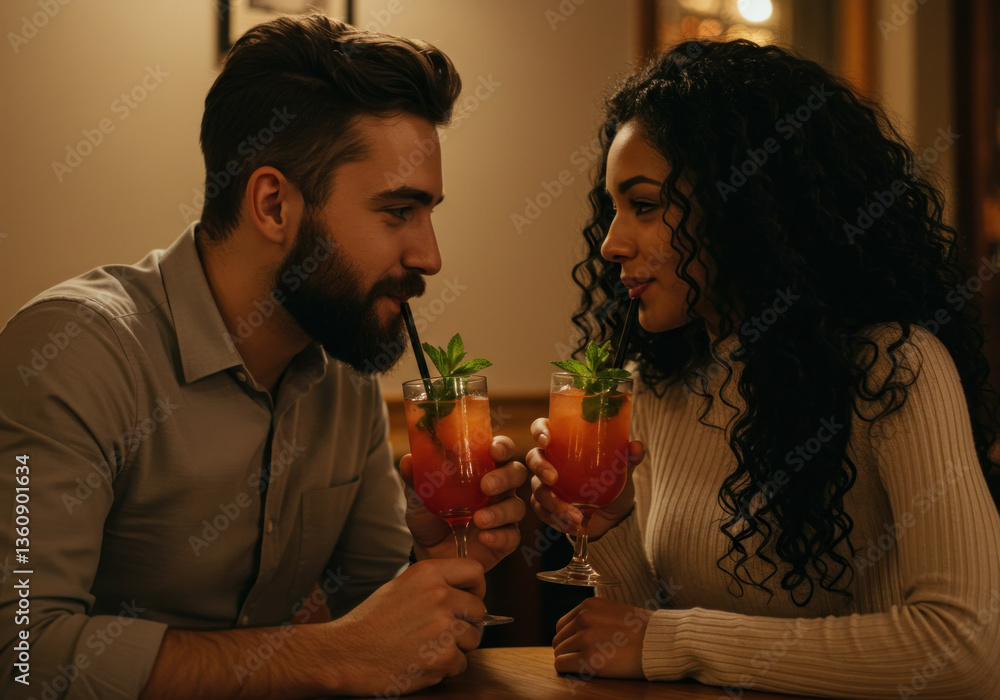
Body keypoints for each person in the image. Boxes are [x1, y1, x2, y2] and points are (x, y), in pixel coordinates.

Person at [0, 14, 527, 700]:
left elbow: (382, 633)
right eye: (398, 212)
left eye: (429, 214)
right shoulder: (71, 355)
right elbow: (20, 659)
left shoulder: (343, 373)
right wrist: (323, 656)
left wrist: (445, 556)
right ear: (274, 205)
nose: (430, 256)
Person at [528, 39, 1000, 698]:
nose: (611, 243)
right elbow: (637, 640)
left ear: (741, 203)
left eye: (644, 204)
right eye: (611, 209)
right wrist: (608, 527)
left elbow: (969, 646)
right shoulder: (658, 384)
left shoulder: (894, 369)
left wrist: (673, 641)